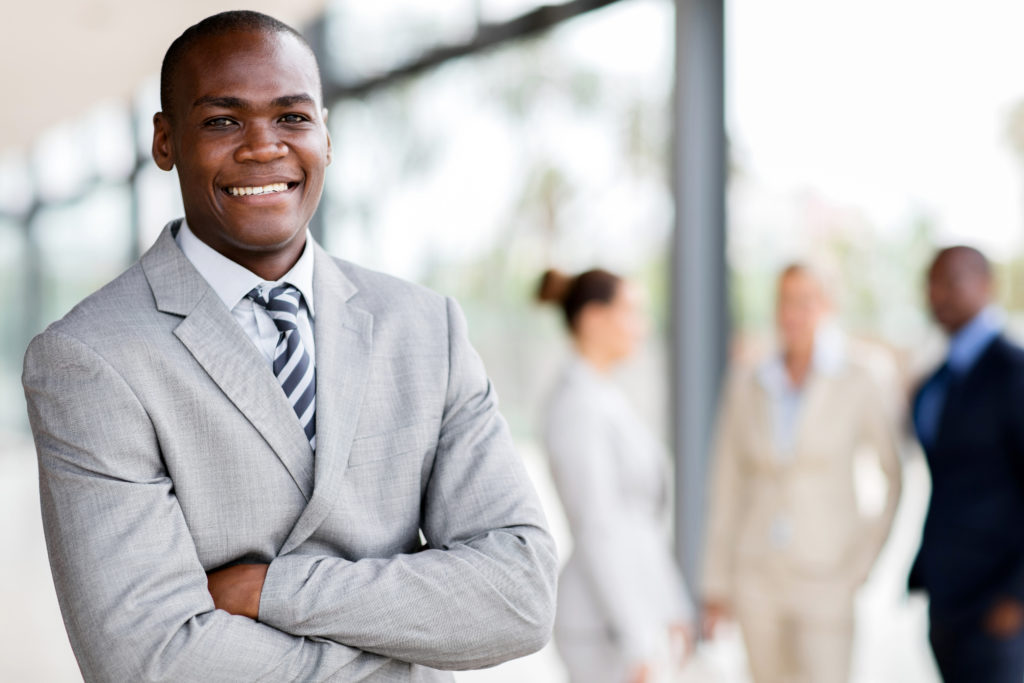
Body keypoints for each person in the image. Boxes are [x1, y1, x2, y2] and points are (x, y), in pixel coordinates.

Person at [22, 11, 556, 682]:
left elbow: (520, 594)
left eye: (292, 118)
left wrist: (271, 590)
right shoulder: (89, 358)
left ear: (326, 135)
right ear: (165, 141)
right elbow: (149, 659)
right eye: (222, 121)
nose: (262, 147)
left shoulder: (426, 329)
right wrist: (407, 647)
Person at [701, 263, 902, 683]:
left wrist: (861, 563)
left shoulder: (861, 377)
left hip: (827, 576)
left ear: (828, 305)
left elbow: (892, 478)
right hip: (755, 573)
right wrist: (717, 581)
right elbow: (727, 483)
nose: (792, 312)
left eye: (805, 300)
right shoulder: (747, 379)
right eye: (784, 301)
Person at [537, 268, 694, 683]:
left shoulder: (605, 395)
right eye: (631, 312)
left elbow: (641, 523)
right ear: (593, 319)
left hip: (625, 617)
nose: (643, 326)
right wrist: (637, 639)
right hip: (600, 625)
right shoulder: (576, 406)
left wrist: (671, 605)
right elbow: (599, 526)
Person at [910, 246, 1024, 683]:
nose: (939, 294)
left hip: (998, 605)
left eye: (953, 281)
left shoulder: (1013, 371)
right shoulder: (937, 380)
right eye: (932, 283)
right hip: (948, 599)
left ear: (987, 285)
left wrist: (1016, 596)